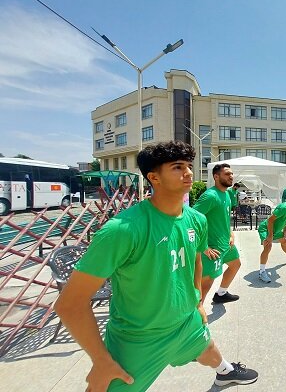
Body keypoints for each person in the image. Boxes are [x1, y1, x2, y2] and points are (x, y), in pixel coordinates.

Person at [54, 141, 258, 391]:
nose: (189, 173)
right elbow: (69, 304)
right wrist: (101, 360)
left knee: (208, 350)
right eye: (177, 167)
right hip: (139, 339)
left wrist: (197, 303)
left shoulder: (196, 220)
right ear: (153, 177)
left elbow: (195, 258)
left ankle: (225, 372)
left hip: (186, 323)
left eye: (189, 166)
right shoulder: (122, 230)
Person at [193, 164, 241, 305]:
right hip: (213, 248)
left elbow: (224, 217)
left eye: (231, 173)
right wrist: (204, 247)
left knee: (235, 265)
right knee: (206, 283)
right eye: (227, 174)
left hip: (226, 243)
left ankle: (221, 293)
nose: (231, 176)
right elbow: (191, 220)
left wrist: (231, 233)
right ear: (216, 176)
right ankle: (197, 316)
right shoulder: (210, 196)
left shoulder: (226, 193)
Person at [257, 190, 286, 283]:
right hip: (266, 228)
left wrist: (284, 233)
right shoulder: (283, 207)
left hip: (277, 229)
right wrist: (270, 236)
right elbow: (270, 220)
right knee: (268, 247)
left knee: (284, 241)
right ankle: (261, 272)